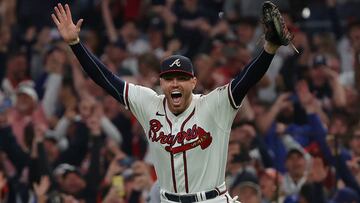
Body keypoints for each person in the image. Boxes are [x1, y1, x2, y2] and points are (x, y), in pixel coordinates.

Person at [51, 1, 293, 202]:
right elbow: (107, 80)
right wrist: (76, 45)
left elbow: (245, 80)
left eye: (181, 78)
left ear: (193, 83)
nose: (175, 84)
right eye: (169, 79)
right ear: (161, 83)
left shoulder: (214, 105)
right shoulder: (149, 104)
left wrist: (269, 49)